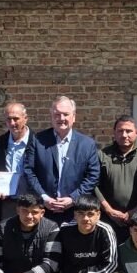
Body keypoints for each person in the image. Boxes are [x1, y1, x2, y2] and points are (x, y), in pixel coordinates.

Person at [22, 95, 101, 224]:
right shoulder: (38, 141)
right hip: (44, 211)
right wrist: (44, 198)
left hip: (76, 213)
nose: (61, 118)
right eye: (57, 114)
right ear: (51, 117)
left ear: (74, 117)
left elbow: (93, 176)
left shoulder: (87, 144)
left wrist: (73, 198)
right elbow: (29, 171)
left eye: (65, 114)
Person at [95, 115, 137, 240]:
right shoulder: (102, 155)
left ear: (136, 133)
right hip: (108, 220)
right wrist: (109, 210)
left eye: (129, 131)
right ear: (114, 133)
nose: (124, 135)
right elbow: (94, 185)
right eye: (120, 131)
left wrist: (134, 212)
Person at [0, 101, 33, 222]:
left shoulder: (38, 143)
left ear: (25, 119)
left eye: (16, 119)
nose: (12, 123)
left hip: (31, 202)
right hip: (7, 202)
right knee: (8, 237)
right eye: (9, 119)